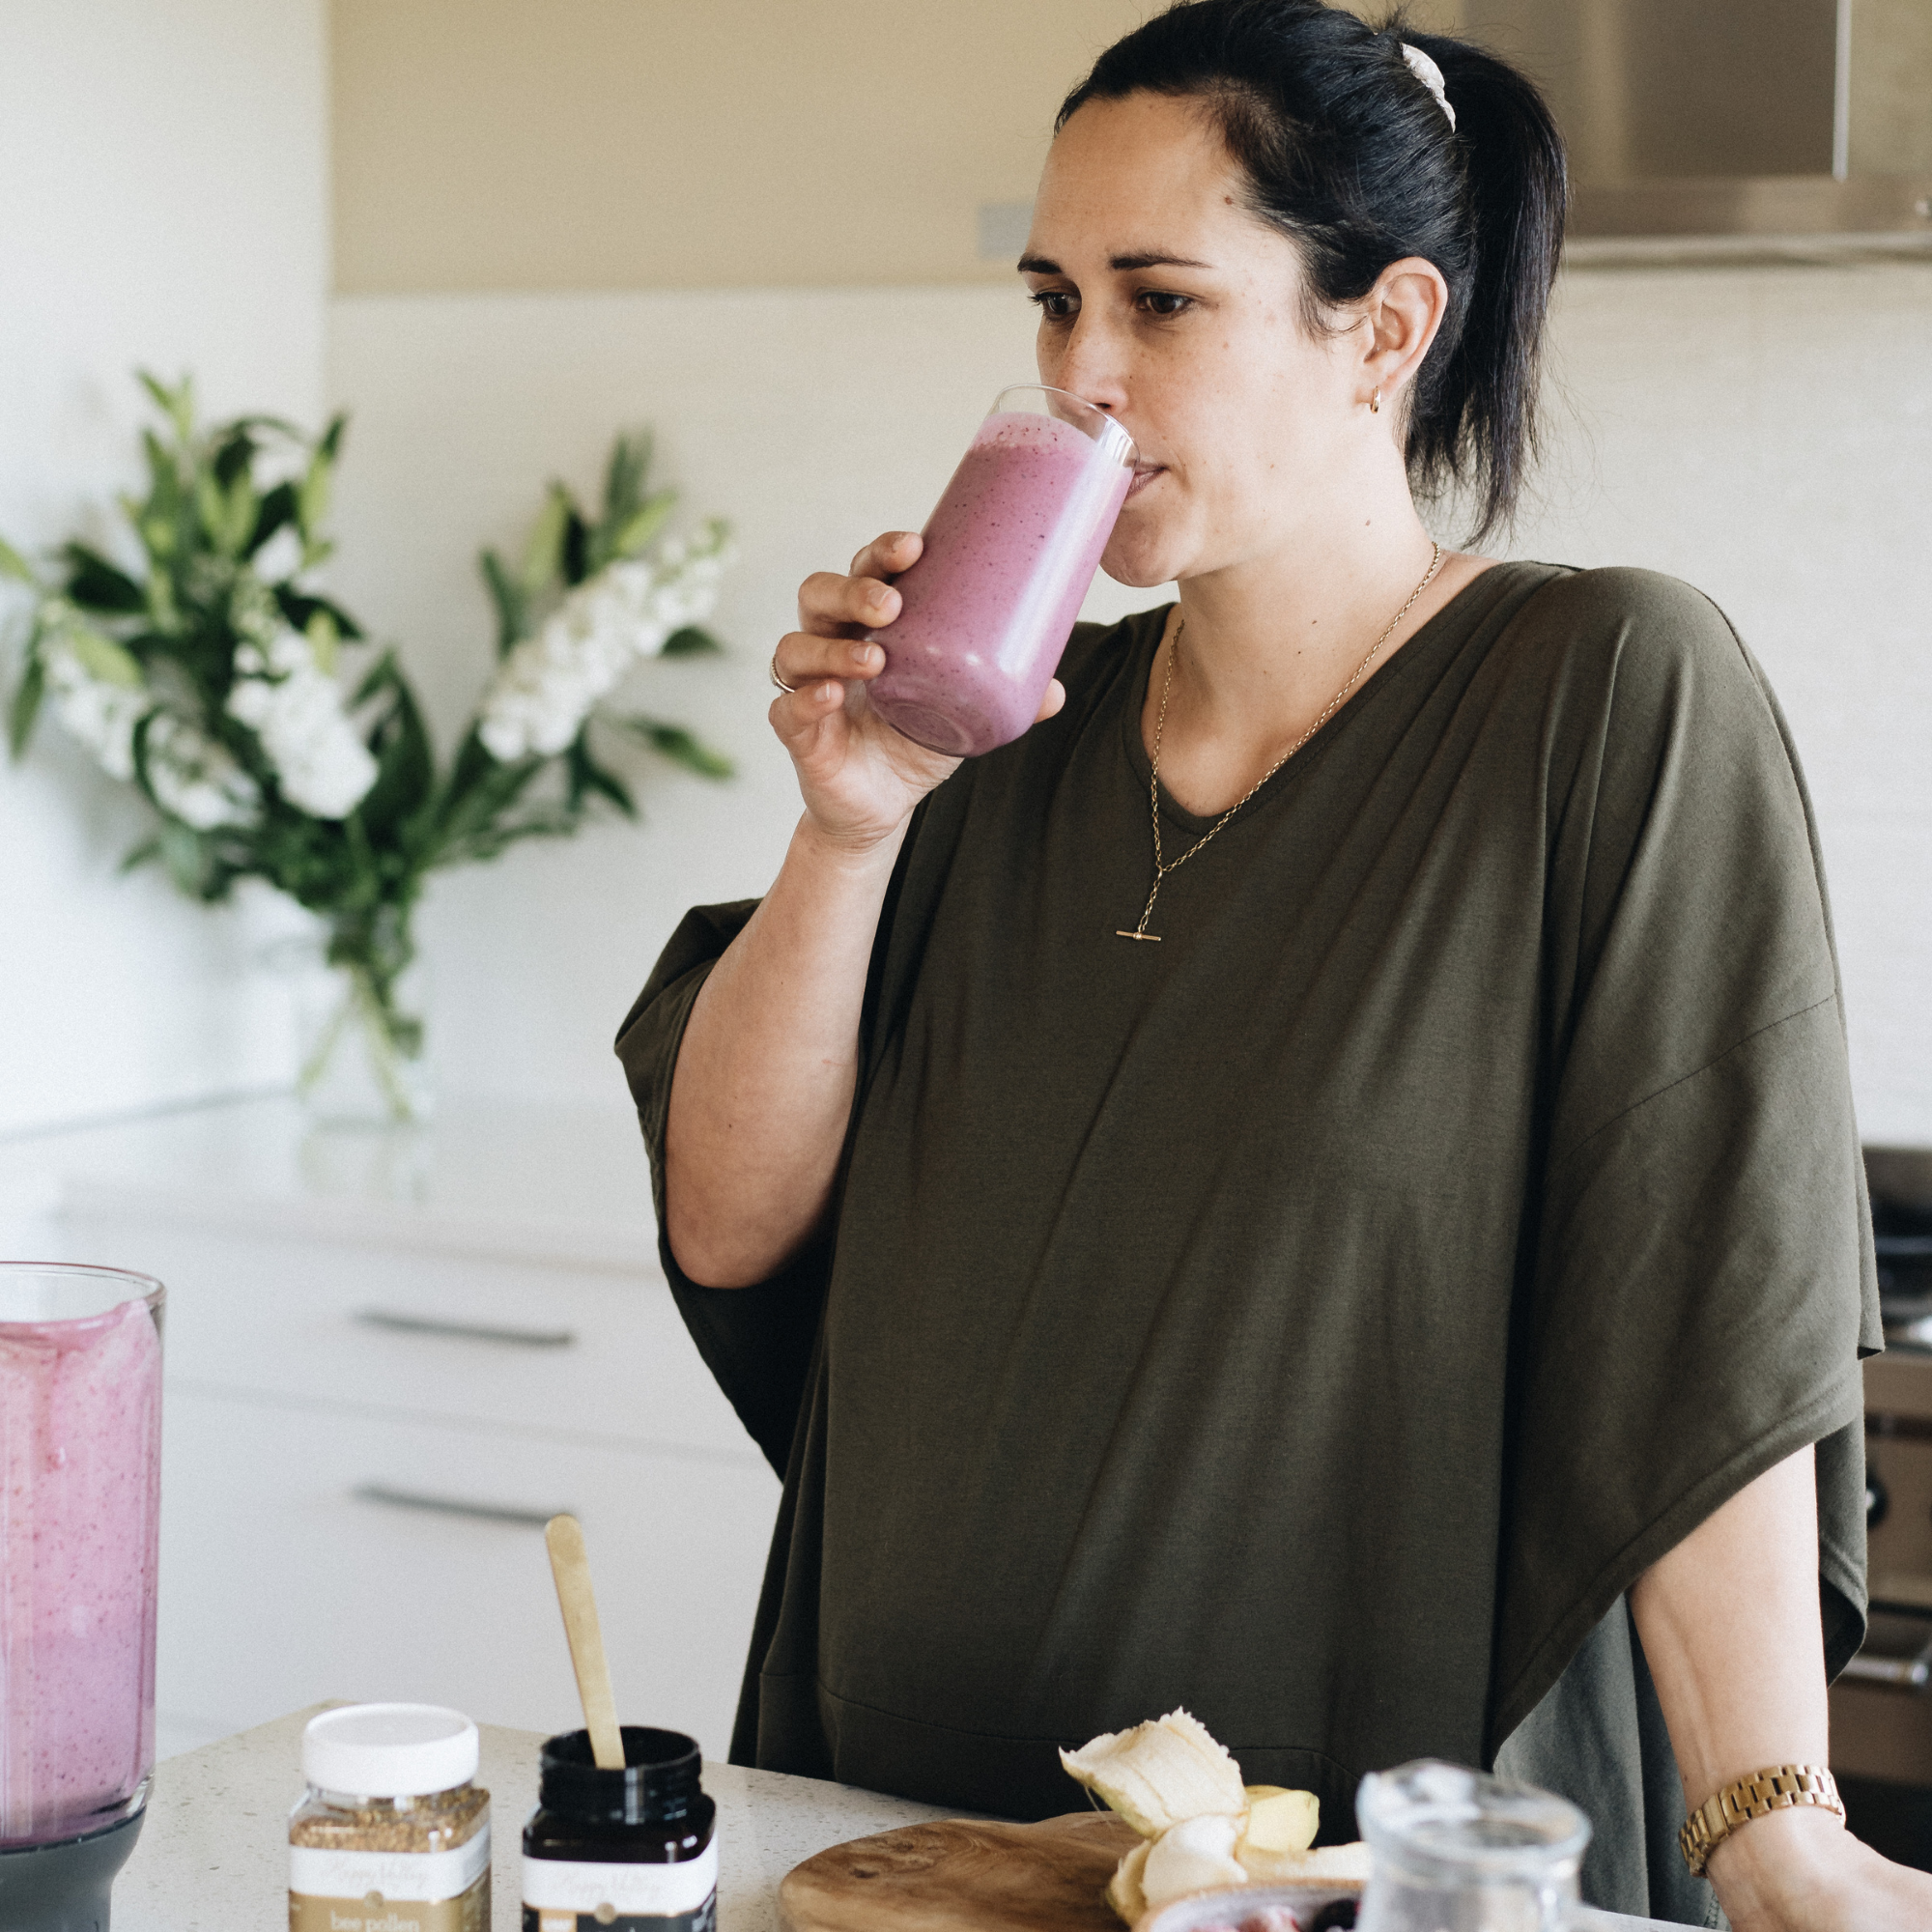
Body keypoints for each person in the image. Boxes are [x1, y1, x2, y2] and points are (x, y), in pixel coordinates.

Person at [616, 4, 1932, 1924]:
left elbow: (1705, 1313)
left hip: (1340, 1881)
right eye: (1051, 300)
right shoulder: (995, 738)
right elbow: (730, 1223)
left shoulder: (1605, 695)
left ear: (1383, 332)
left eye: (1159, 302)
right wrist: (848, 819)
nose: (1081, 376)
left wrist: (1774, 1832)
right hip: (903, 1842)